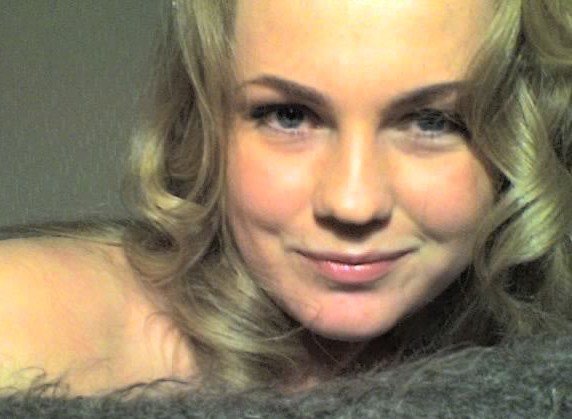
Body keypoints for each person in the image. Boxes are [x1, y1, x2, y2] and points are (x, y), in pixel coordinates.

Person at [0, 0, 570, 398]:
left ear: (522, 137)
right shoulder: (34, 314)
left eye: (431, 121)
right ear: (207, 128)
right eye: (289, 116)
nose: (352, 203)